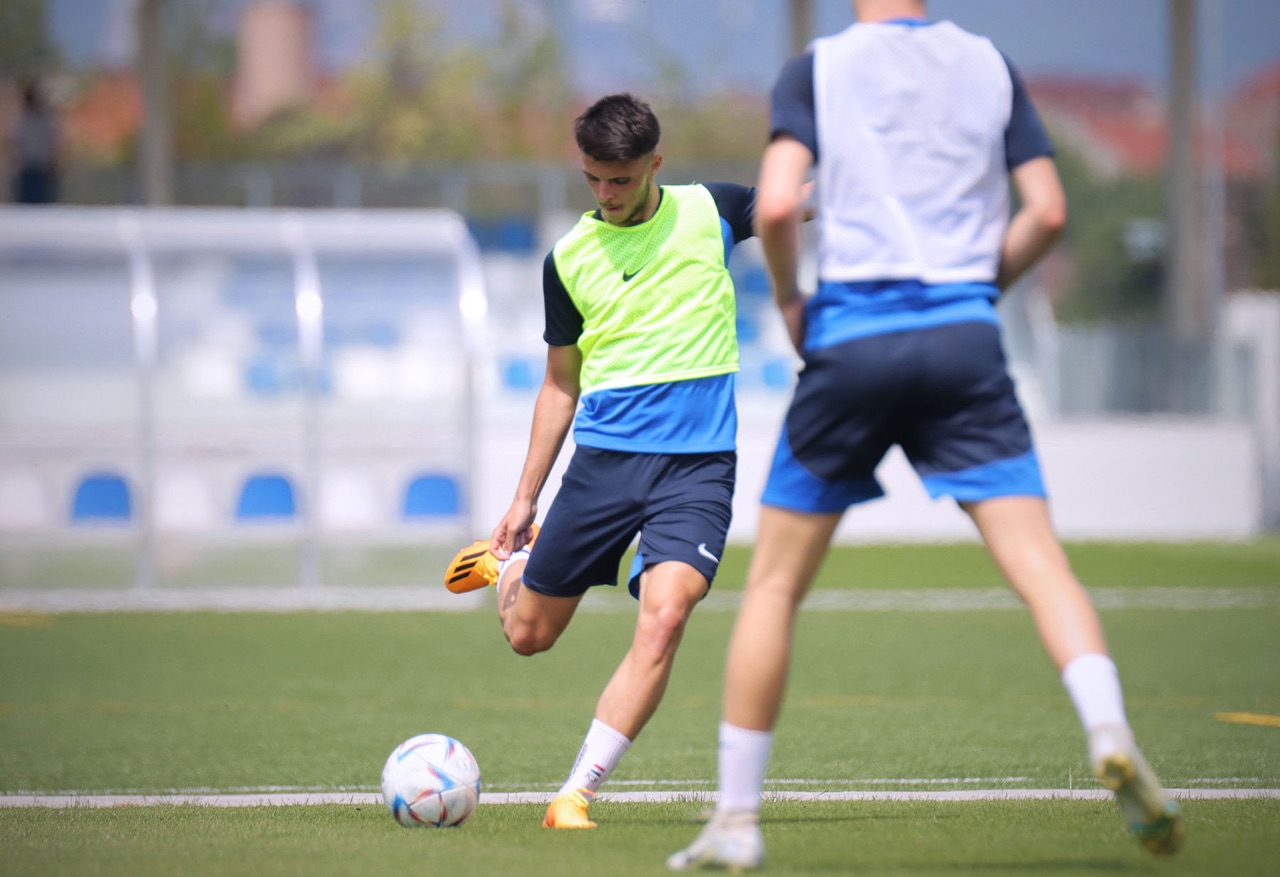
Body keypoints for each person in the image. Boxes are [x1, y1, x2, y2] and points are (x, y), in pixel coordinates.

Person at [669, 1, 1184, 870]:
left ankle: (736, 820)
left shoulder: (818, 67)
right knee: (1041, 565)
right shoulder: (988, 62)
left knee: (775, 586)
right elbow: (1048, 212)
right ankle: (1108, 729)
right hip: (963, 341)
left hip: (853, 340)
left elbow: (782, 202)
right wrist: (976, 292)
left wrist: (793, 303)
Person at [444, 92, 762, 830]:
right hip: (604, 468)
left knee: (666, 616)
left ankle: (575, 794)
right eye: (593, 178)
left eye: (620, 178)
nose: (606, 193)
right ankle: (513, 567)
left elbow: (792, 204)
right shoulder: (568, 260)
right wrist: (523, 500)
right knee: (529, 635)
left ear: (655, 163)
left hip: (697, 470)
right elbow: (561, 384)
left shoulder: (710, 211)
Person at [9, 81, 60, 205]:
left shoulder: (43, 121)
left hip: (41, 170)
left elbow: (53, 145)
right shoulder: (23, 121)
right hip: (28, 170)